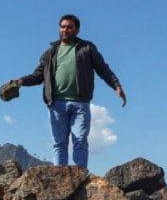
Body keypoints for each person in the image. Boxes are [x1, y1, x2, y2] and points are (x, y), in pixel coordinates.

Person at [13, 14, 126, 168]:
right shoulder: (50, 53)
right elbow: (38, 75)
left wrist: (116, 85)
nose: (65, 29)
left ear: (77, 30)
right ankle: (60, 179)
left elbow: (103, 69)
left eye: (69, 27)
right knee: (59, 143)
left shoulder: (87, 48)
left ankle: (80, 179)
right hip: (56, 104)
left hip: (80, 103)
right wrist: (21, 81)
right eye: (63, 26)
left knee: (80, 141)